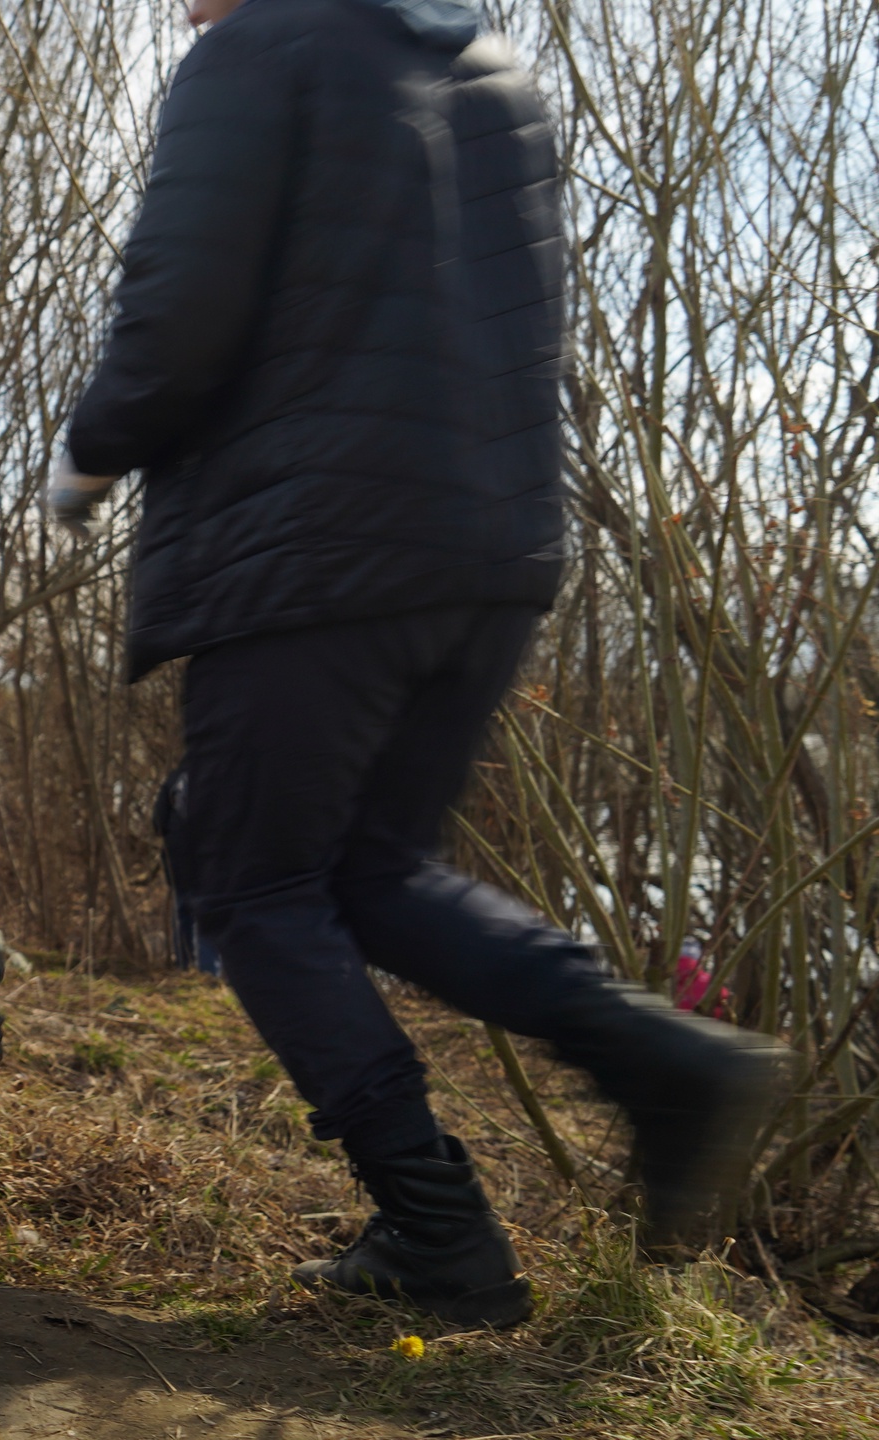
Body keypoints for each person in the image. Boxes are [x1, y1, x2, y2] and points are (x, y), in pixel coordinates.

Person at [51, 0, 791, 1327]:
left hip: (311, 550)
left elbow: (182, 305)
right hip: (490, 549)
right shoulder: (491, 68)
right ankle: (663, 1058)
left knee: (250, 880)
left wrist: (93, 443)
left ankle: (436, 1221)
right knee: (372, 871)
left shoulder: (256, 52)